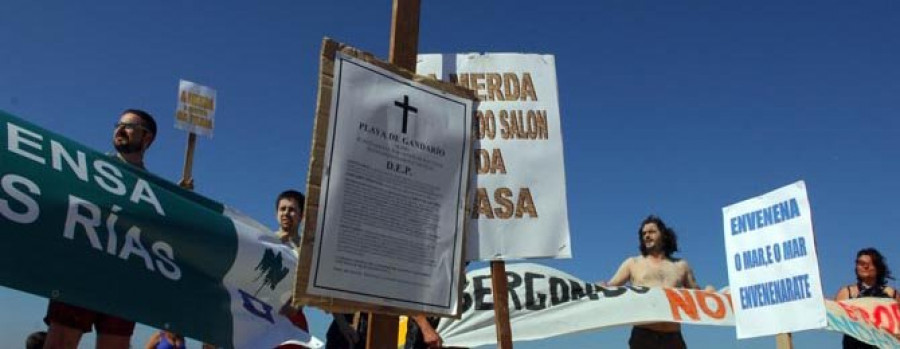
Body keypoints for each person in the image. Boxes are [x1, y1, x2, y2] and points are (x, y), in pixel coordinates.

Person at [43, 109, 157, 349]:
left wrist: (181, 200)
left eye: (129, 127)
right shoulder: (90, 168)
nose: (120, 130)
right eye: (118, 124)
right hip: (81, 270)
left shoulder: (155, 190)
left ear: (146, 138)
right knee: (60, 342)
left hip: (122, 278)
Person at [604, 215, 709, 349]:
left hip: (673, 336)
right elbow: (610, 286)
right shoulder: (633, 263)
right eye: (644, 233)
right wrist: (599, 286)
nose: (647, 236)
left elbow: (698, 294)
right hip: (644, 336)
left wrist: (711, 293)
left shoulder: (681, 266)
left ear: (663, 235)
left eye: (652, 232)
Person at [834, 248, 899, 348]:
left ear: (877, 268)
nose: (865, 267)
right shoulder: (847, 293)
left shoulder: (891, 293)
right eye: (861, 263)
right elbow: (836, 320)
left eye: (869, 263)